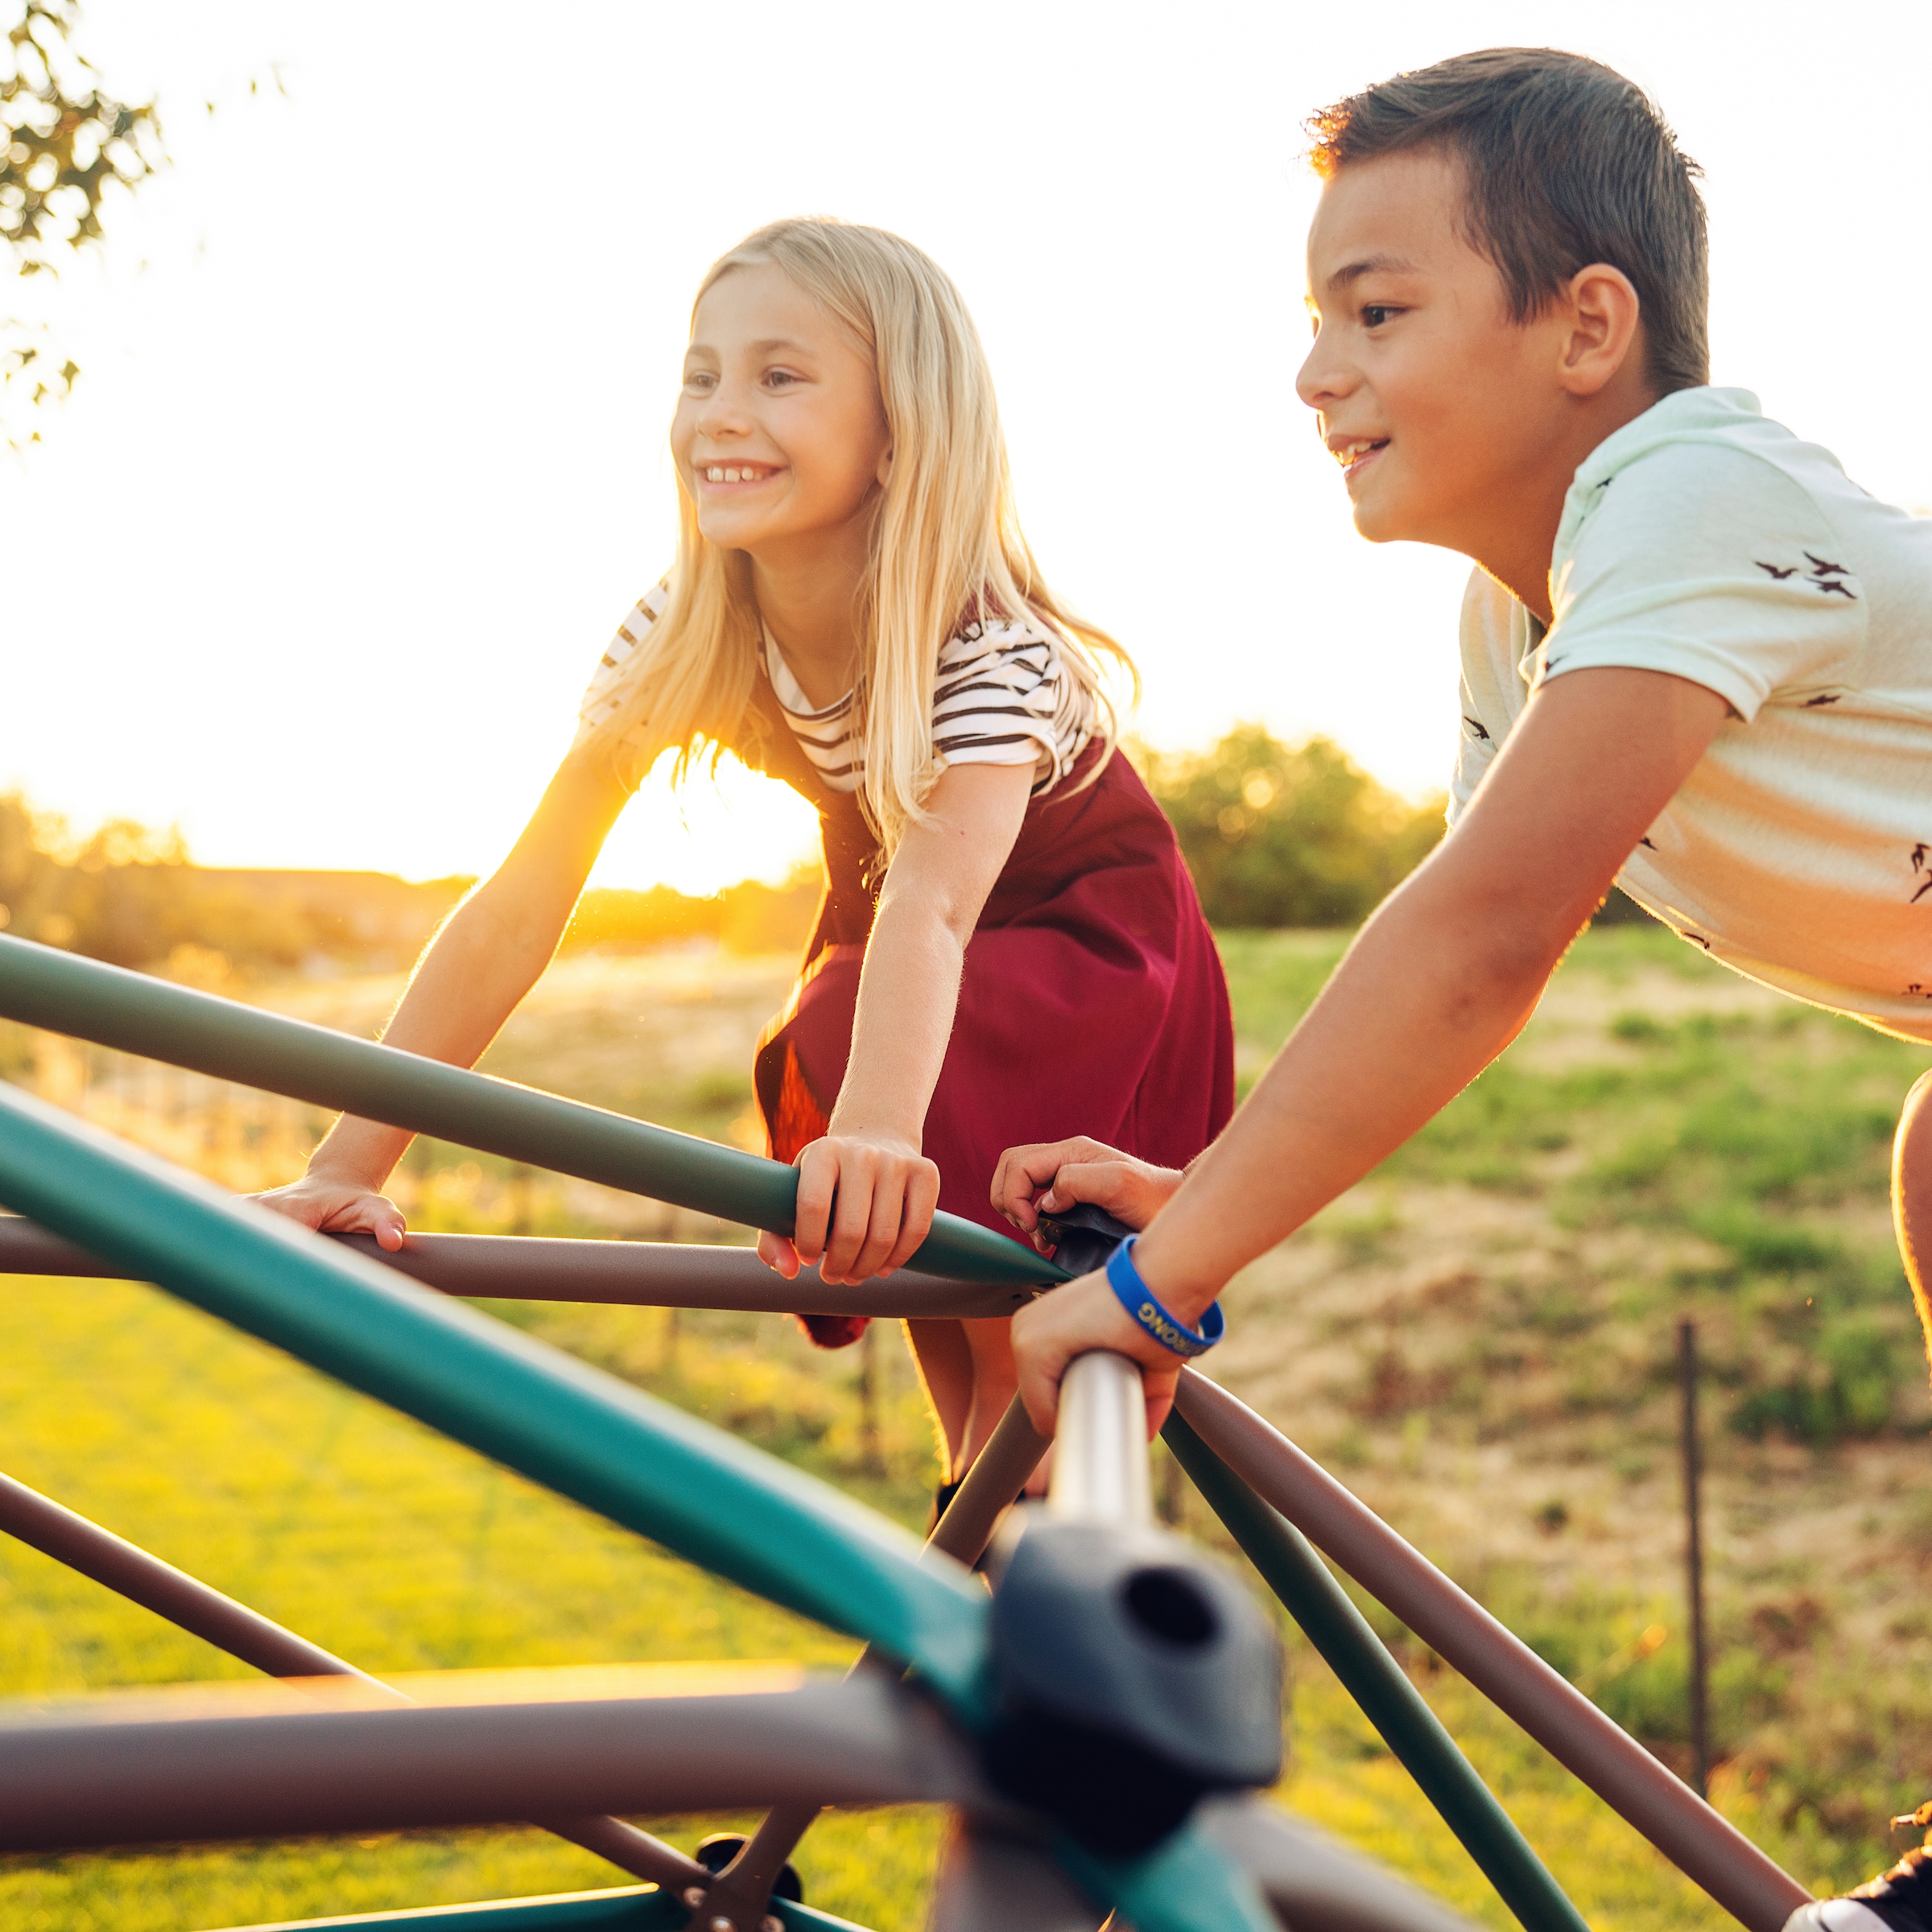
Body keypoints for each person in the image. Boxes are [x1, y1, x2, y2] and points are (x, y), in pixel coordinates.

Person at [990, 51, 1932, 1929]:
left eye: (1378, 309)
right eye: (1314, 317)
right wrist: (1221, 1202)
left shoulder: (1689, 497)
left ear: (1588, 326)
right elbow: (1436, 983)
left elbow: (1477, 943)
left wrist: (1159, 1291)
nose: (1313, 369)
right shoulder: (1526, 618)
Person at [261, 217, 1233, 1507]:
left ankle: (1033, 1524)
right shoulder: (683, 626)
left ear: (899, 427)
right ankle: (979, 1507)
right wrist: (348, 1165)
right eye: (700, 372)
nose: (720, 411)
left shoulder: (983, 648)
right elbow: (523, 899)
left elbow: (942, 902)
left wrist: (879, 1129)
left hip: (1086, 941)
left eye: (780, 375)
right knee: (919, 1258)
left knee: (950, 1223)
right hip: (895, 932)